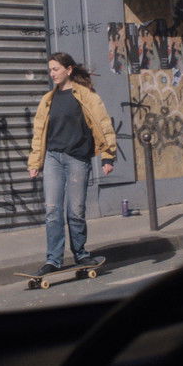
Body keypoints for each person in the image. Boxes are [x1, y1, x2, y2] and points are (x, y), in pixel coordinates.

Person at [27, 52, 117, 276]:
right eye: (50, 70)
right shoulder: (48, 100)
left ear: (69, 70)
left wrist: (108, 155)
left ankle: (81, 254)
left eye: (55, 69)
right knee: (52, 211)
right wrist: (35, 161)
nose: (52, 74)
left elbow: (103, 124)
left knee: (75, 211)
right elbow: (39, 134)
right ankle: (53, 259)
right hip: (53, 159)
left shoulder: (86, 96)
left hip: (77, 158)